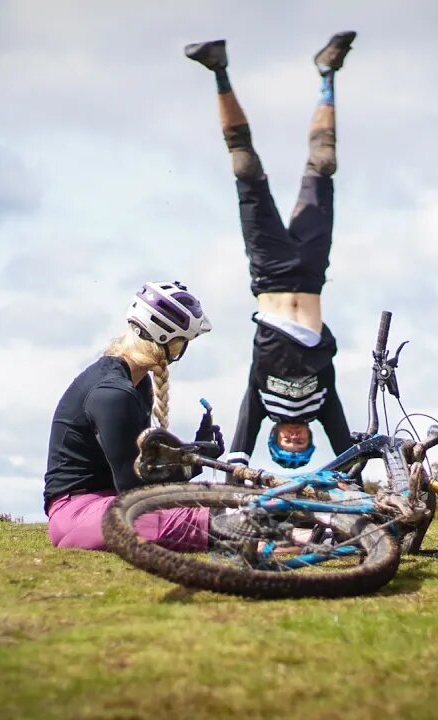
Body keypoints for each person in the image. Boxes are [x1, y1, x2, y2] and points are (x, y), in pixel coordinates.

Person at [184, 31, 360, 474]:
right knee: (324, 165)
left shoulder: (261, 400)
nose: (296, 440)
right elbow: (347, 458)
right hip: (311, 270)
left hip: (269, 273)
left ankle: (218, 71)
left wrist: (241, 480)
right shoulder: (324, 401)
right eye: (302, 446)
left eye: (289, 446)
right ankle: (327, 74)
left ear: (276, 438)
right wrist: (351, 485)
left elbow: (239, 449)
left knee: (245, 169)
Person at [43, 280, 225, 550]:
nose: (179, 352)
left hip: (110, 503)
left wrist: (195, 454)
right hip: (79, 513)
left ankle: (297, 529)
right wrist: (191, 465)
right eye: (179, 345)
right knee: (206, 519)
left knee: (221, 504)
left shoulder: (138, 385)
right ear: (166, 342)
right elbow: (135, 488)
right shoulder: (113, 394)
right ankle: (292, 539)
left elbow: (143, 473)